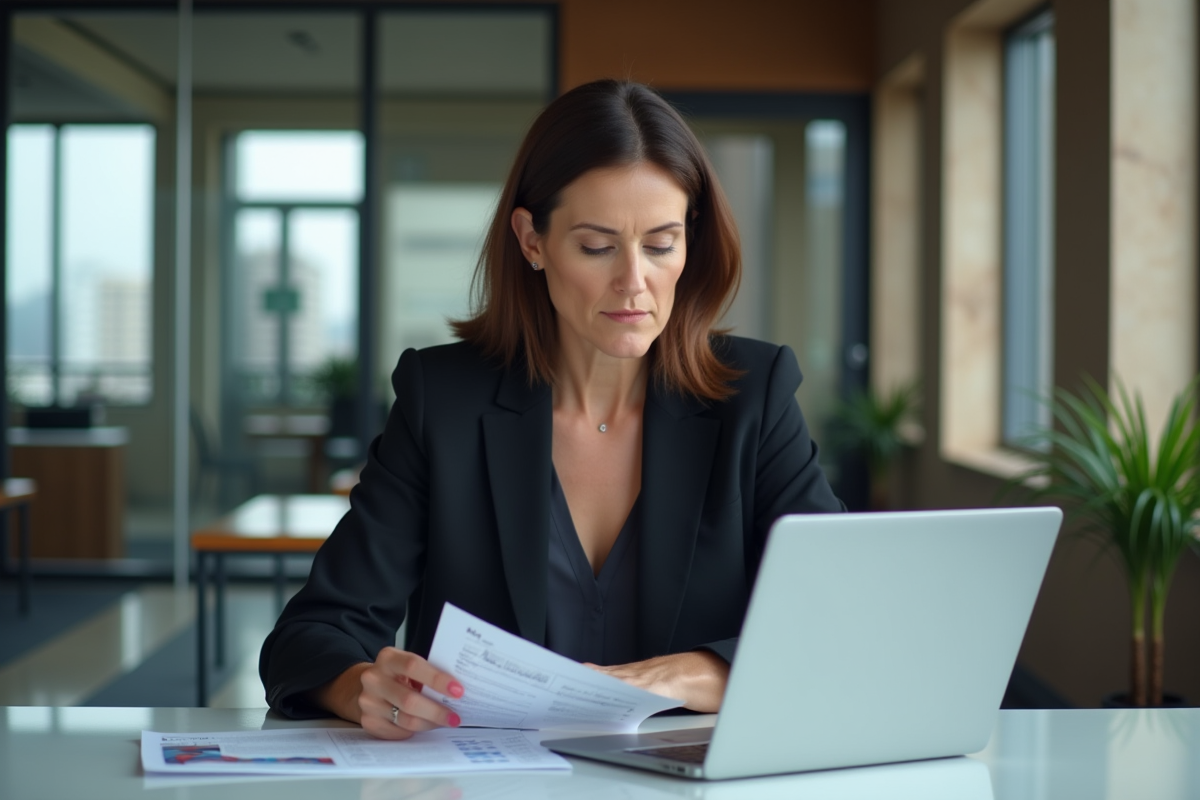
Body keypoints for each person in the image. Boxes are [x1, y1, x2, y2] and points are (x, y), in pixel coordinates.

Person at [259, 79, 843, 740]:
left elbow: (840, 616)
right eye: (597, 246)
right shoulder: (443, 401)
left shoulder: (753, 396)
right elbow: (312, 633)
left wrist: (699, 673)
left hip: (693, 780)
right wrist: (358, 685)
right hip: (485, 781)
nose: (634, 281)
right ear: (531, 240)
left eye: (661, 244)